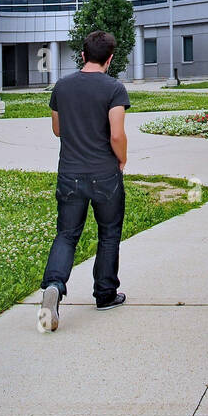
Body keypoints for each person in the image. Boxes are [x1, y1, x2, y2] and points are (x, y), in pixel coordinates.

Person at [37, 29, 130, 332]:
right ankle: (105, 294)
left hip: (70, 174)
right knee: (108, 233)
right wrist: (122, 159)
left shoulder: (61, 87)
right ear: (110, 58)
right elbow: (116, 133)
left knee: (66, 234)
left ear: (82, 54)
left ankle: (53, 286)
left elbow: (57, 130)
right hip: (105, 174)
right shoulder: (114, 88)